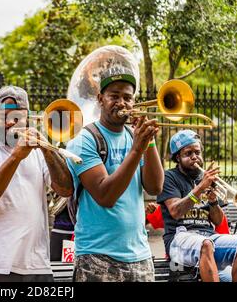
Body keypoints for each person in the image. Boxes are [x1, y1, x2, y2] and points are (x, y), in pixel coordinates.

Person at [66, 47, 164, 282]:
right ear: (100, 99)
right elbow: (105, 195)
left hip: (140, 255)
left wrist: (148, 144)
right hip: (98, 257)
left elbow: (155, 187)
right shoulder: (84, 140)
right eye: (114, 95)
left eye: (128, 97)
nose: (122, 102)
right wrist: (137, 149)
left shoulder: (135, 137)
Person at [0, 85, 74, 282]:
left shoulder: (39, 149)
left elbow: (65, 189)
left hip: (36, 263)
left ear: (28, 117)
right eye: (4, 116)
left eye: (18, 117)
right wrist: (16, 157)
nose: (11, 122)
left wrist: (48, 150)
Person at [157, 129, 237, 282]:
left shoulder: (205, 179)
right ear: (177, 158)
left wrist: (213, 201)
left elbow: (217, 221)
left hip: (208, 236)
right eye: (188, 154)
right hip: (179, 237)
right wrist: (200, 188)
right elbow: (175, 212)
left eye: (197, 152)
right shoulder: (169, 177)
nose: (195, 157)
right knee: (205, 245)